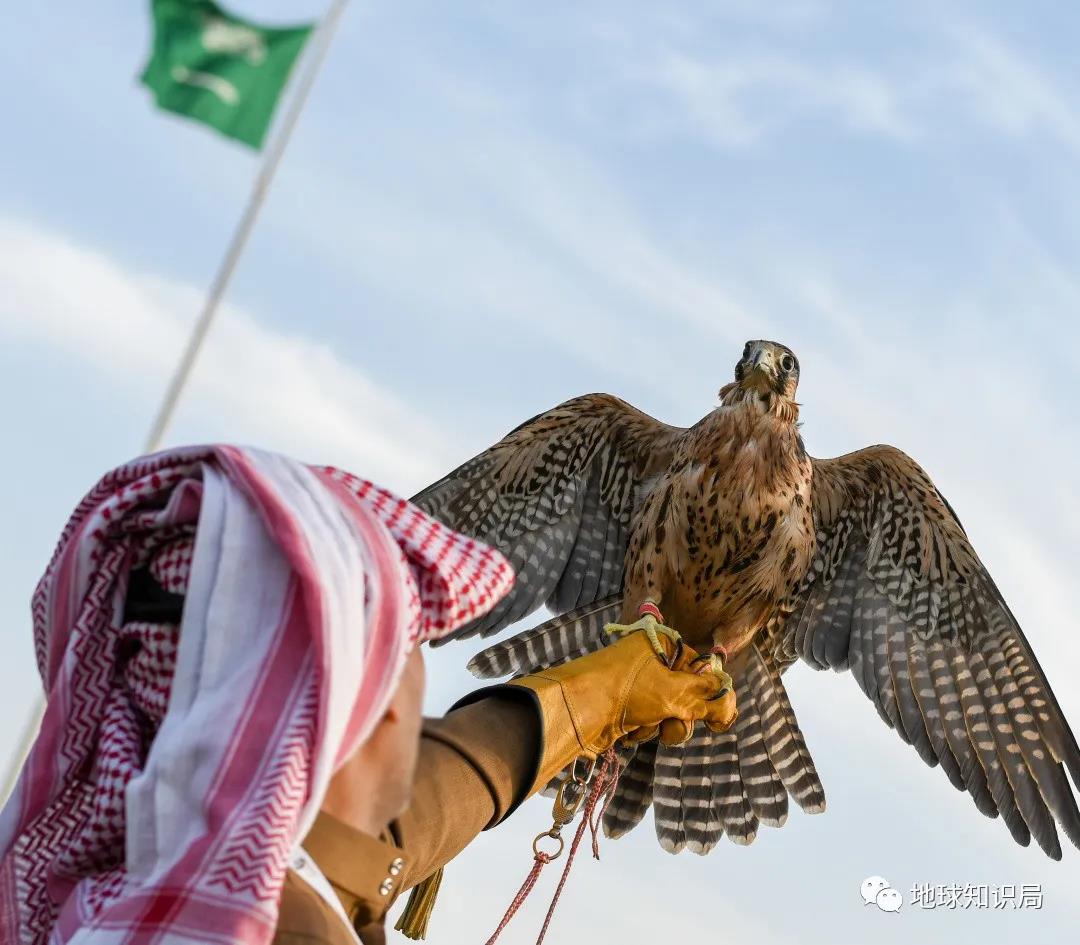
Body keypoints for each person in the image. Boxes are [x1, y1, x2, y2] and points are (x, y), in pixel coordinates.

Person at [0, 446, 736, 945]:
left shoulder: (88, 896)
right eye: (410, 647)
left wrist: (597, 697)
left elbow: (357, 846)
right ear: (373, 709)